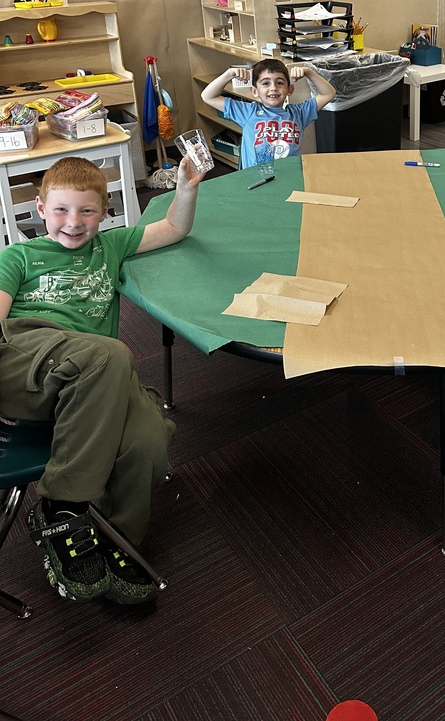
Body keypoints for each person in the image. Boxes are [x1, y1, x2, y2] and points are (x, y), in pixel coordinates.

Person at [0, 154, 203, 604]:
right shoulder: (19, 255)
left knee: (149, 442)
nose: (73, 222)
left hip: (95, 380)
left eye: (87, 210)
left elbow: (173, 229)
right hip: (27, 361)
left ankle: (110, 539)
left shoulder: (109, 247)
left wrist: (187, 189)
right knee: (111, 352)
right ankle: (61, 506)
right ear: (39, 209)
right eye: (61, 210)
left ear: (106, 210)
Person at [201, 58, 336, 168]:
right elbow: (208, 96)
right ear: (254, 91)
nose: (273, 88)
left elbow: (329, 93)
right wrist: (229, 74)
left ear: (290, 89)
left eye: (279, 83)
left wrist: (308, 72)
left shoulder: (299, 113)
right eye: (266, 83)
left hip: (289, 178)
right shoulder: (248, 112)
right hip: (256, 180)